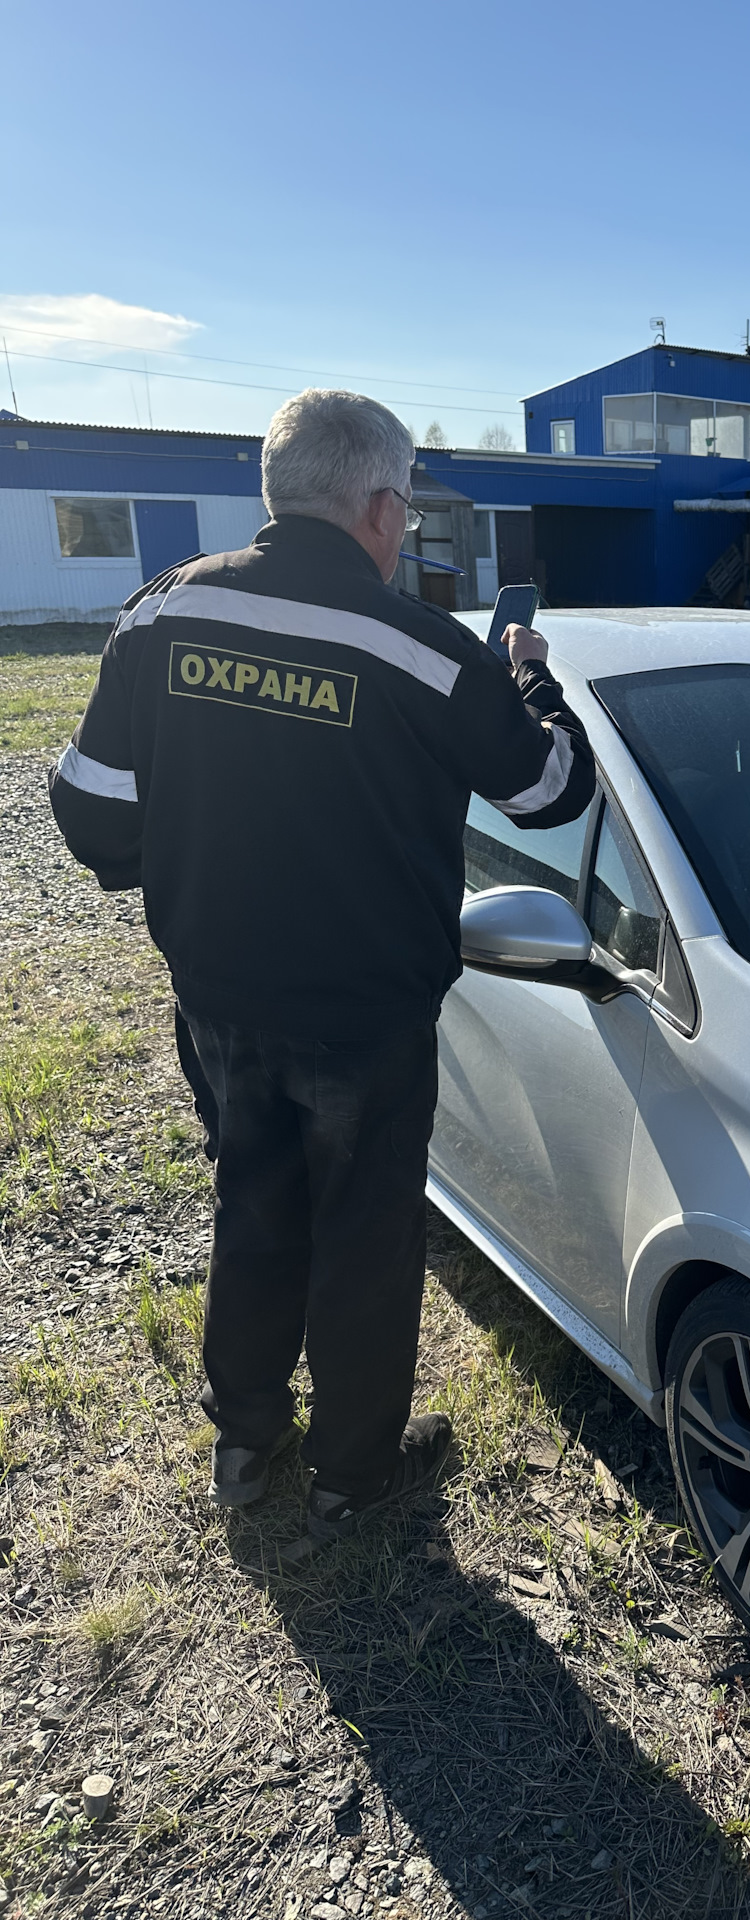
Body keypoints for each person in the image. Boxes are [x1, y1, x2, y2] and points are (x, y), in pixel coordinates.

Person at [48, 389, 595, 1541]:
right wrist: (531, 676)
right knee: (365, 1231)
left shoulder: (161, 616)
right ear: (382, 505)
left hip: (221, 999)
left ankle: (245, 1442)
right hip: (367, 1020)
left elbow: (90, 814)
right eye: (405, 507)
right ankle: (354, 1472)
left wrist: (201, 869)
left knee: (253, 1202)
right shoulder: (425, 651)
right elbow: (550, 792)